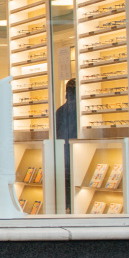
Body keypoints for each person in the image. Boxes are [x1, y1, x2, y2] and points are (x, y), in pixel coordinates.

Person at [55, 79, 78, 214]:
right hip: (75, 155)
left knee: (65, 187)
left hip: (62, 156)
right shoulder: (78, 110)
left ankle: (66, 209)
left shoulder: (60, 111)